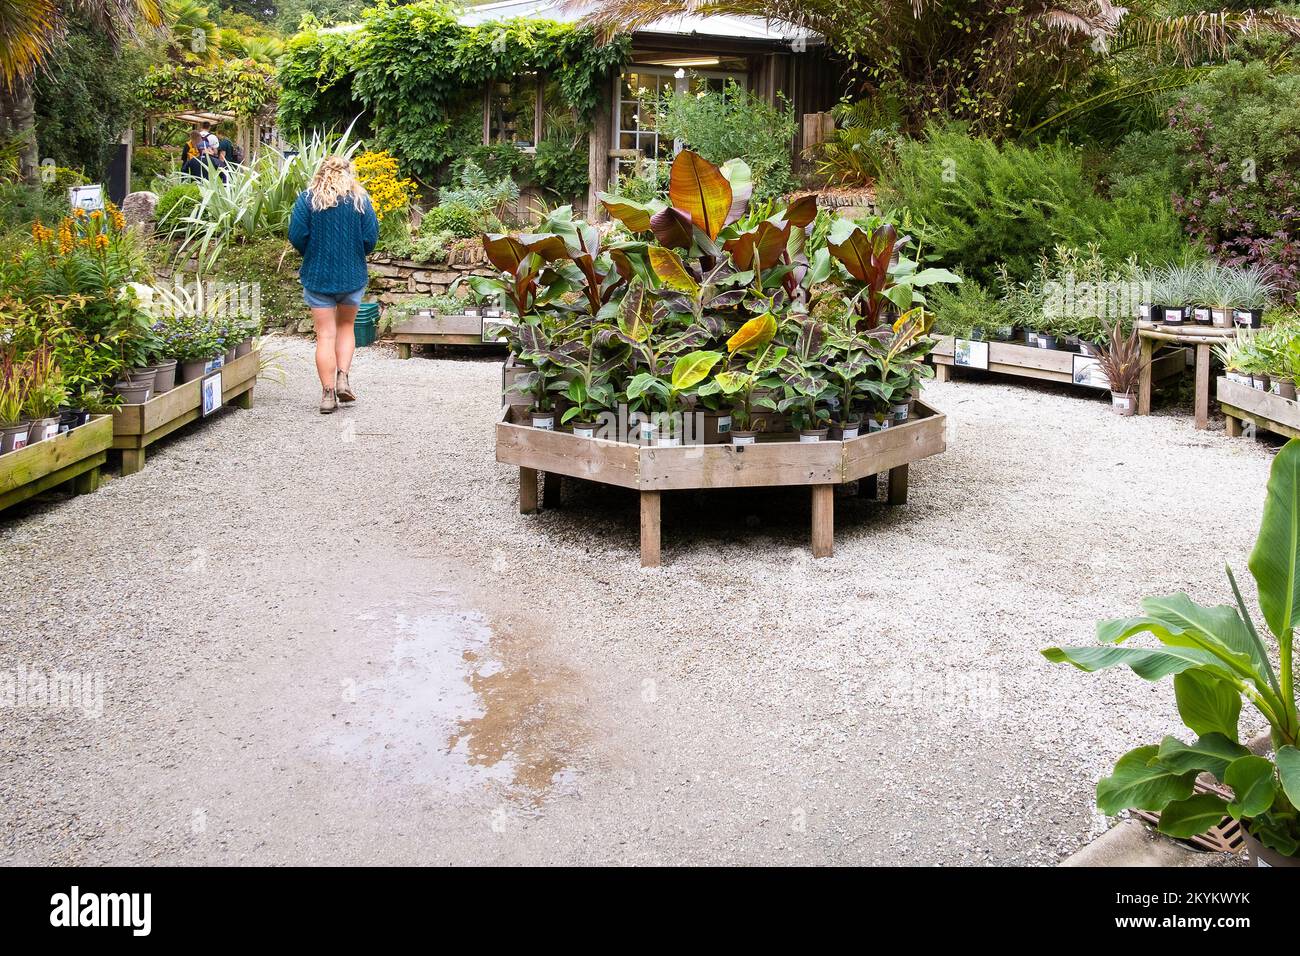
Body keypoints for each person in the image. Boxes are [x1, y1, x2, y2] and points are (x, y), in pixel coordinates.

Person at [288, 156, 378, 414]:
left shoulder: (307, 199)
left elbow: (296, 235)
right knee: (346, 326)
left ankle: (328, 396)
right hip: (352, 276)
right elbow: (370, 239)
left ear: (321, 173)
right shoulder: (360, 200)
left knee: (325, 335)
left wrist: (313, 253)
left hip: (318, 277)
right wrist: (354, 253)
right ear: (349, 174)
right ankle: (342, 377)